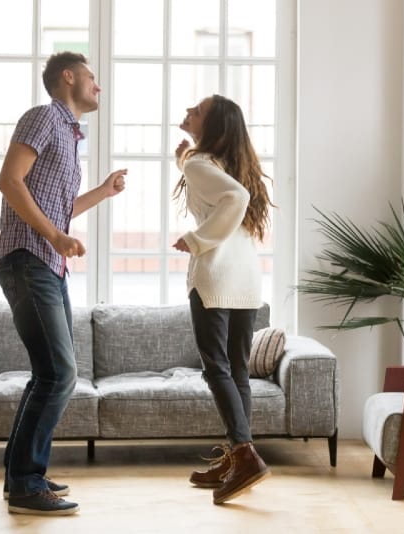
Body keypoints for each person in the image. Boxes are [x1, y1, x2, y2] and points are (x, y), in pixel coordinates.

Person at [0, 51, 127, 516]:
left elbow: (59, 207)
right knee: (61, 374)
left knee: (47, 374)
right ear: (68, 78)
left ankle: (21, 477)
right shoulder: (42, 118)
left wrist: (104, 192)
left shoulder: (70, 136)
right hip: (28, 259)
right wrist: (54, 236)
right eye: (93, 77)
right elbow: (9, 181)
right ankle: (27, 482)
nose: (99, 86)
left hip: (47, 263)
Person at [172, 94, 273, 505]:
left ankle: (245, 455)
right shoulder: (235, 164)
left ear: (211, 127)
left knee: (216, 369)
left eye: (195, 112)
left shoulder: (200, 164)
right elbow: (236, 195)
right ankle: (237, 456)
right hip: (247, 277)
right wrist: (184, 161)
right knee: (237, 371)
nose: (187, 113)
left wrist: (197, 239)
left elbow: (234, 199)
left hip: (215, 277)